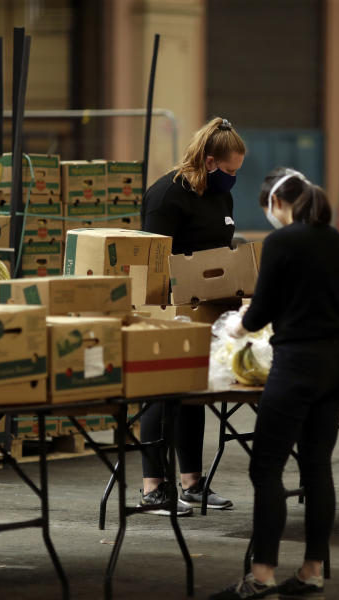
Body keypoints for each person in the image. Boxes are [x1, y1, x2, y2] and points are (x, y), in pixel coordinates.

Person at [209, 168, 339, 600]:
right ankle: (312, 574)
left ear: (276, 204)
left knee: (266, 468)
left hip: (297, 364)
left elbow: (262, 310)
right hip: (336, 362)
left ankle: (261, 578)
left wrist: (237, 326)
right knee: (317, 467)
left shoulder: (280, 243)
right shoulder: (338, 243)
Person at [138, 117, 246, 515]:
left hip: (208, 308)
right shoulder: (167, 194)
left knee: (194, 393)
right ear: (210, 161)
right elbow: (152, 258)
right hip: (169, 307)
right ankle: (153, 488)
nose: (234, 178)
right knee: (162, 391)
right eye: (231, 170)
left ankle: (192, 484)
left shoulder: (220, 196)